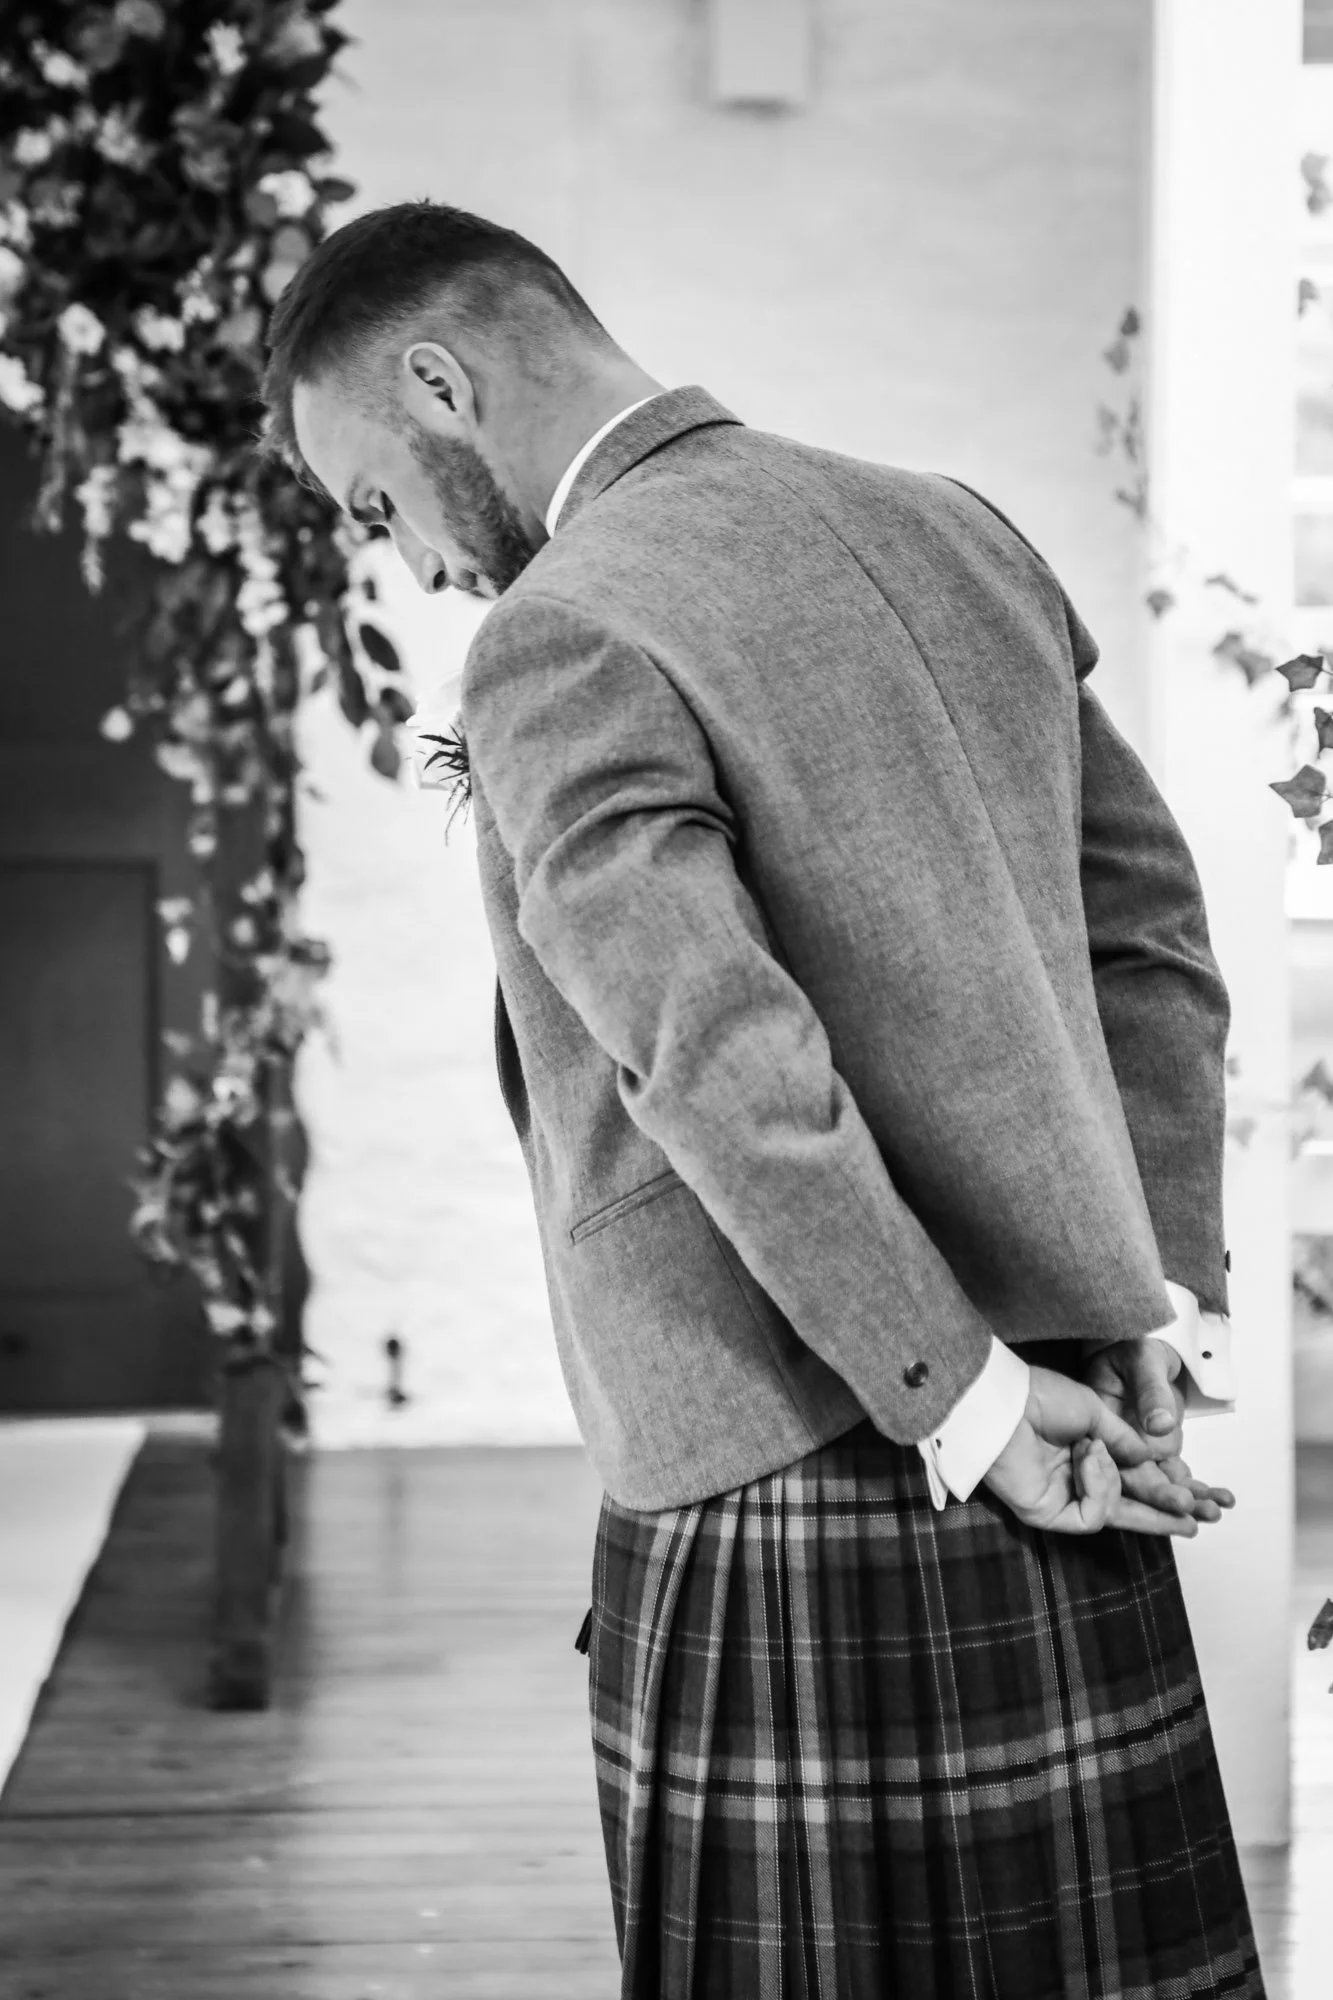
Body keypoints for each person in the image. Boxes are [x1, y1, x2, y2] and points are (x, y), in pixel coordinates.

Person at [260, 200, 1264, 1998]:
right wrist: (1151, 1297)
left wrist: (962, 1397)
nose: (407, 563)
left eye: (376, 504)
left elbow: (715, 1056)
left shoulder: (565, 629)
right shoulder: (953, 527)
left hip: (791, 1433)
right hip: (1071, 1410)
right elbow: (1154, 939)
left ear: (439, 382)